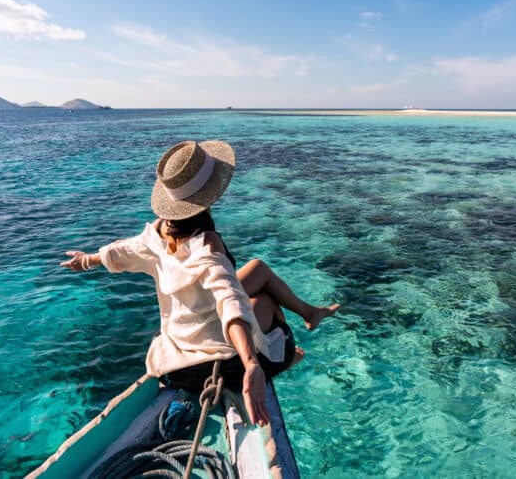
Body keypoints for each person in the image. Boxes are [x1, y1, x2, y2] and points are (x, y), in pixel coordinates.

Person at [61, 139, 338, 426]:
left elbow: (122, 251)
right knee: (265, 304)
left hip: (174, 358)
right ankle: (279, 360)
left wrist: (87, 260)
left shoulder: (157, 234)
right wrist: (252, 364)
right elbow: (229, 300)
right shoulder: (207, 246)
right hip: (208, 366)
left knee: (258, 269)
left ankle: (310, 313)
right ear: (209, 196)